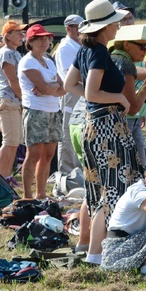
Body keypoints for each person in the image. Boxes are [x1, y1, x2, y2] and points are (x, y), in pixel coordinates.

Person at [64, 0, 143, 266]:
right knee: (112, 191)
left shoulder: (84, 50)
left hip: (92, 124)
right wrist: (117, 99)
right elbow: (90, 91)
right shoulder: (98, 52)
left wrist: (95, 101)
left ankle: (94, 252)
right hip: (107, 127)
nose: (119, 25)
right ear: (106, 25)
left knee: (99, 192)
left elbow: (69, 84)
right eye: (116, 21)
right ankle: (98, 254)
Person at [17, 25, 66, 200]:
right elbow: (48, 87)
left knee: (48, 155)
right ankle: (28, 195)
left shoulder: (49, 61)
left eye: (46, 38)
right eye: (39, 38)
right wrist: (51, 88)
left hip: (54, 110)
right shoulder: (27, 62)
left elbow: (63, 88)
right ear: (30, 42)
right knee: (34, 154)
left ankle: (41, 193)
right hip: (36, 111)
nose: (44, 41)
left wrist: (49, 88)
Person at [108, 35, 146, 167]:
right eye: (143, 47)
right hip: (119, 124)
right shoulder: (125, 63)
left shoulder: (112, 57)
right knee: (134, 168)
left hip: (106, 125)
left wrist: (144, 89)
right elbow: (132, 109)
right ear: (126, 45)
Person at [0, 21, 27, 184]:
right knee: (9, 142)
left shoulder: (15, 53)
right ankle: (2, 178)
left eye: (22, 32)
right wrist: (24, 99)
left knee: (14, 142)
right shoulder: (6, 53)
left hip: (15, 100)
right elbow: (13, 81)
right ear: (7, 36)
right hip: (8, 99)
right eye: (18, 32)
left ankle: (6, 177)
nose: (22, 35)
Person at [54, 14, 84, 175]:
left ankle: (77, 170)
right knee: (67, 133)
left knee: (78, 131)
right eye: (78, 27)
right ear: (68, 29)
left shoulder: (79, 46)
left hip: (81, 92)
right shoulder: (66, 47)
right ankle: (66, 172)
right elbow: (68, 76)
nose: (81, 31)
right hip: (71, 92)